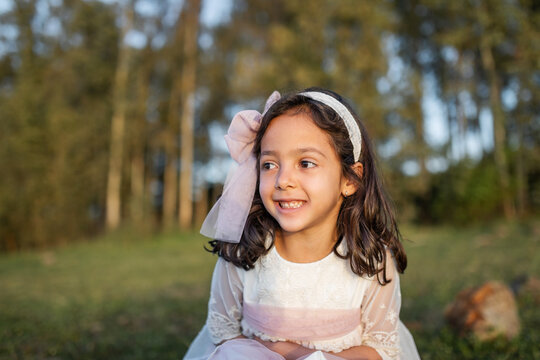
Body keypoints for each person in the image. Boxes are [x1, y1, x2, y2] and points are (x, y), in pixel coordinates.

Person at [184, 88, 421, 360]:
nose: (283, 180)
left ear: (350, 180)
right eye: (269, 164)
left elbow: (381, 350)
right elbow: (223, 333)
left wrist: (296, 354)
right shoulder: (242, 253)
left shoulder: (373, 260)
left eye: (305, 163)